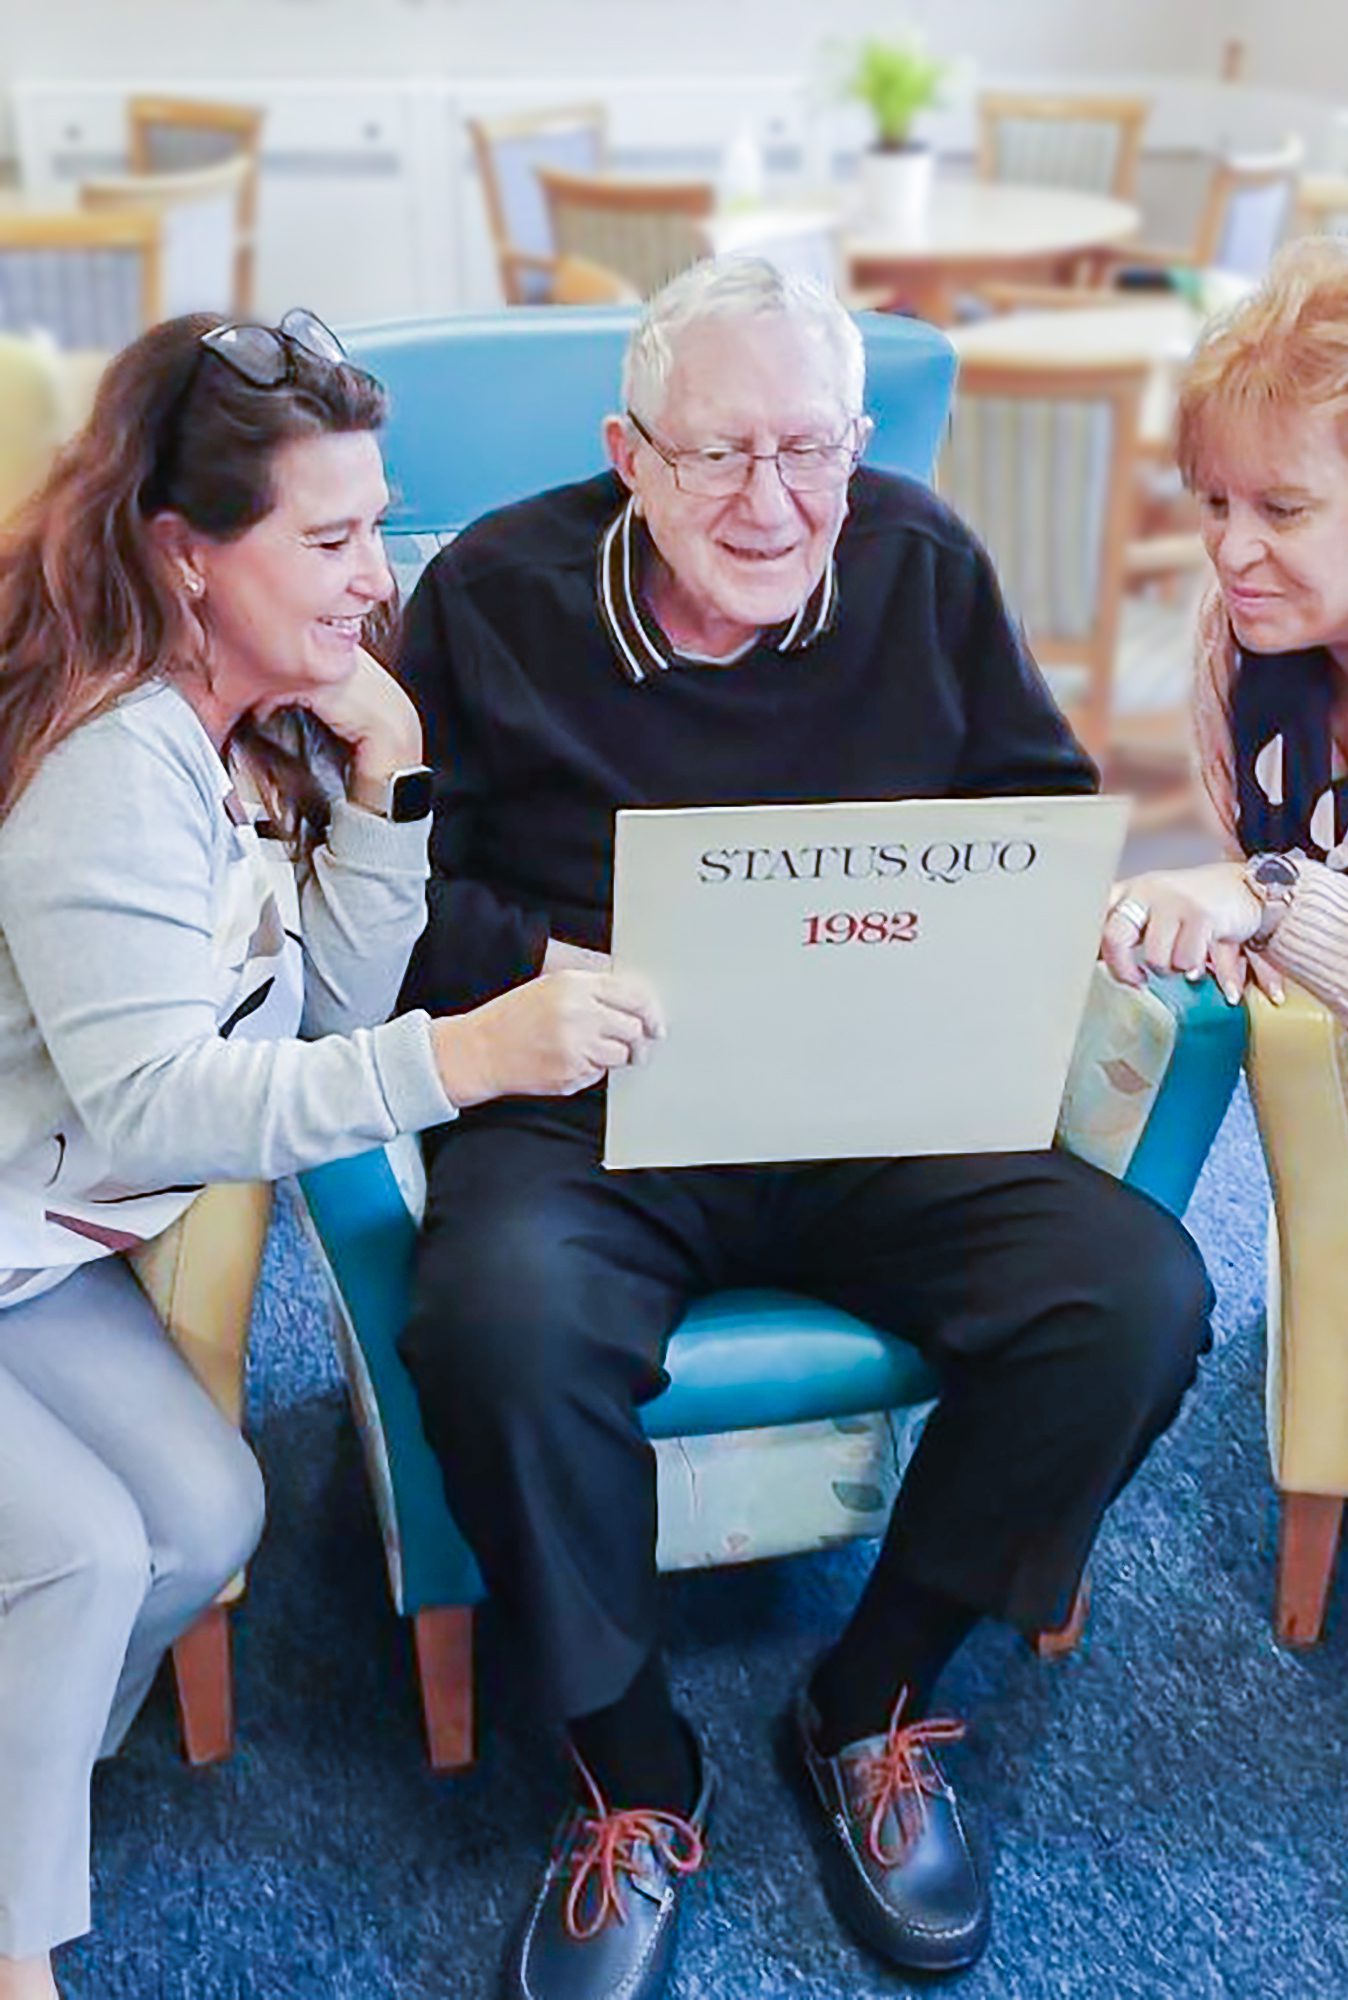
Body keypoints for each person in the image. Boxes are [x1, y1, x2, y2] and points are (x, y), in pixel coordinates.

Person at [395, 257, 1213, 2000]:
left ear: (856, 446)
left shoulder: (922, 561)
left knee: (1134, 1293)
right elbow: (395, 901)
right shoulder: (487, 594)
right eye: (719, 457)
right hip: (590, 1096)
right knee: (497, 1320)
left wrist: (1058, 916)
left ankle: (875, 1700)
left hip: (871, 1093)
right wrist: (550, 967)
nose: (771, 503)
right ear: (631, 452)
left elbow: (1039, 819)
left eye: (810, 451)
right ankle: (628, 1773)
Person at [0, 310, 659, 2000]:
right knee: (81, 1543)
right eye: (333, 538)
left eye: (378, 525)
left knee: (206, 1513)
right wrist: (469, 1055)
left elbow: (311, 1019)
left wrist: (392, 776)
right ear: (184, 552)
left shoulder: (257, 720)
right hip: (41, 1210)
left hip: (37, 1246)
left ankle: (19, 1789)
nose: (378, 578)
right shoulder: (111, 760)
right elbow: (165, 1104)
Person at [1101, 238, 1348, 1508]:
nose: (1229, 551)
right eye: (1214, 502)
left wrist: (1266, 896)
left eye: (1281, 508)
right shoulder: (1245, 650)